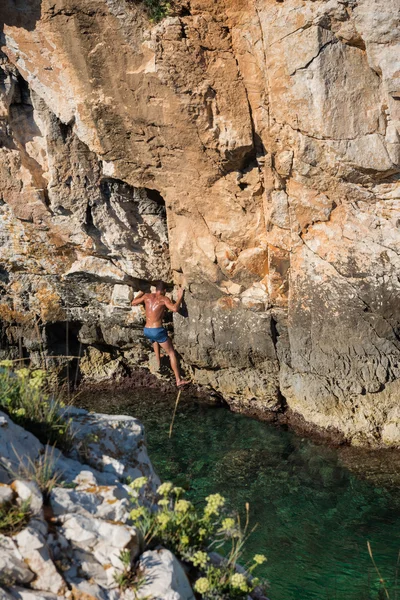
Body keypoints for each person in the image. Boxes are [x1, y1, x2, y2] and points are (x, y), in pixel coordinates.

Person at [131, 281, 190, 387]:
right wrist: (180, 297)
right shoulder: (163, 299)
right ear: (164, 291)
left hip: (147, 330)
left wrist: (141, 292)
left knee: (155, 340)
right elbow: (175, 309)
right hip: (157, 330)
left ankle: (158, 360)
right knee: (171, 353)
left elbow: (133, 302)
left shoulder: (147, 296)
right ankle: (178, 380)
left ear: (155, 289)